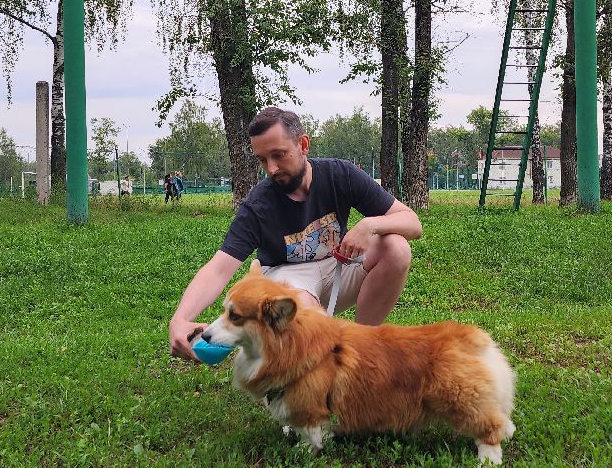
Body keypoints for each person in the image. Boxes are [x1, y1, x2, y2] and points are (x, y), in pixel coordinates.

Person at [169, 106, 423, 360]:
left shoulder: (340, 175)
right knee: (298, 305)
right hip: (289, 279)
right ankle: (308, 371)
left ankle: (364, 348)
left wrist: (370, 225)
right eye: (262, 159)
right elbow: (218, 269)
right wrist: (180, 319)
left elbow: (412, 222)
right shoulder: (258, 205)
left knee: (396, 248)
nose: (271, 168)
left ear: (303, 144)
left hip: (338, 267)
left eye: (279, 155)